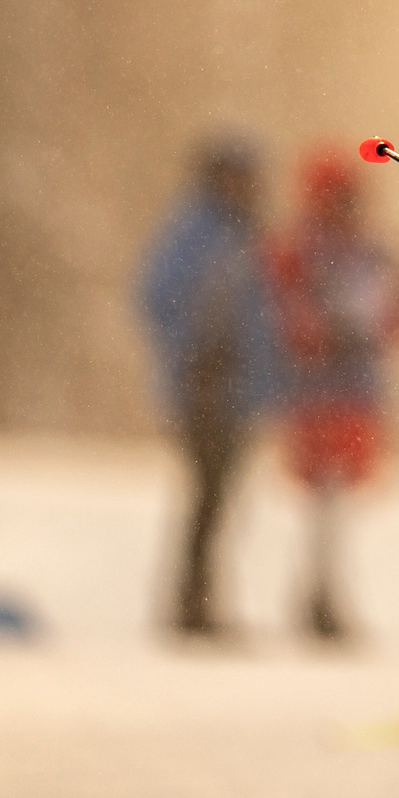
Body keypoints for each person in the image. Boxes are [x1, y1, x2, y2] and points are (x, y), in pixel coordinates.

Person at [265, 149, 399, 643]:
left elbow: (389, 315)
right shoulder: (301, 249)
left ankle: (324, 594)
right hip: (318, 392)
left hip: (355, 393)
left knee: (336, 502)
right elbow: (284, 316)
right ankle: (318, 598)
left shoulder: (370, 250)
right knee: (323, 499)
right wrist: (328, 336)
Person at [139, 136, 282, 638]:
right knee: (207, 499)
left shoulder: (244, 234)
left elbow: (261, 317)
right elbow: (157, 297)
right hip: (203, 391)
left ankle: (201, 601)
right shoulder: (194, 233)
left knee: (220, 502)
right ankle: (190, 606)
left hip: (237, 391)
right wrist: (194, 353)